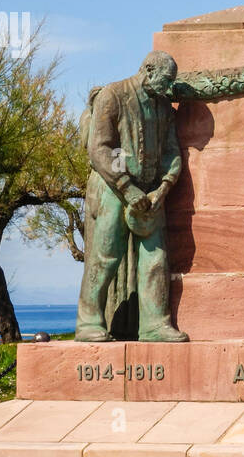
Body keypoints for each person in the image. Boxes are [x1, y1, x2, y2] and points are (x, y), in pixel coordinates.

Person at [74, 50, 189, 342]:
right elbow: (99, 147)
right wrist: (126, 186)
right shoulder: (113, 95)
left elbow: (172, 151)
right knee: (106, 254)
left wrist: (164, 186)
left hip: (152, 193)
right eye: (164, 81)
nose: (167, 88)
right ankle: (89, 323)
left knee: (156, 258)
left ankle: (154, 325)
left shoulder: (164, 107)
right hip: (114, 188)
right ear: (148, 70)